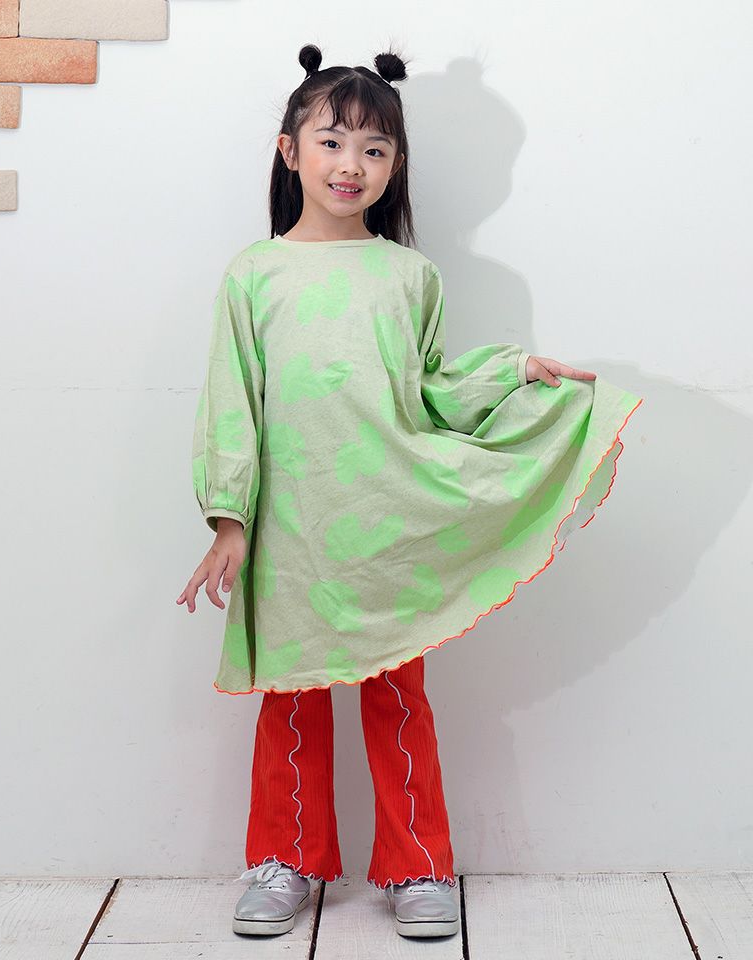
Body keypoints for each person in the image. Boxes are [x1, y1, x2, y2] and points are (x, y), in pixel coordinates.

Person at [176, 43, 644, 940]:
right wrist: (229, 519)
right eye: (332, 142)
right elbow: (231, 403)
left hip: (388, 521)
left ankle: (418, 863)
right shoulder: (252, 274)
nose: (351, 164)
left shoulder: (408, 275)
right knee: (293, 695)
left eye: (375, 149)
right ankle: (284, 859)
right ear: (290, 152)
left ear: (395, 165)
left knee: (397, 697)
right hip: (292, 531)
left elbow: (428, 391)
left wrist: (514, 375)